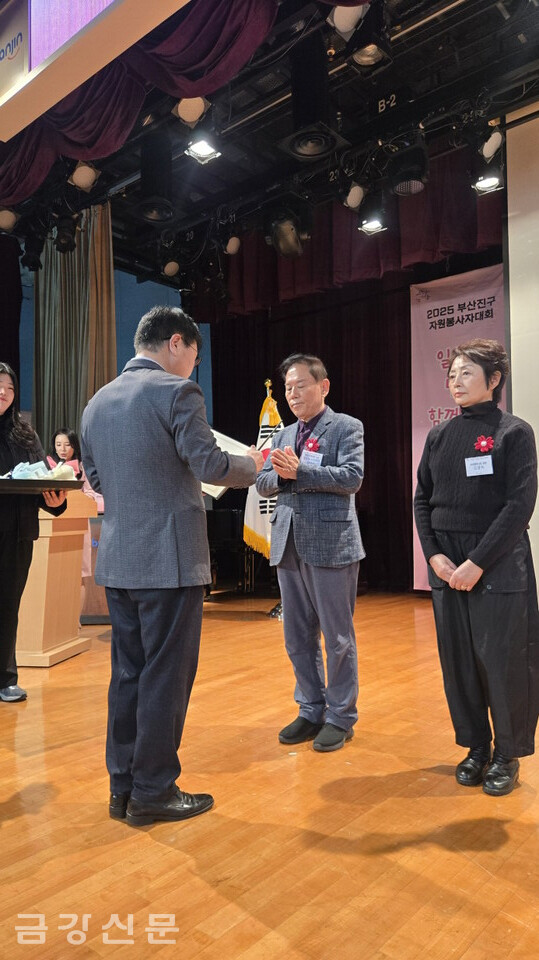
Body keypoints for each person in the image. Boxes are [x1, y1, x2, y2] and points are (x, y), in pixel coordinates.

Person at [80, 306, 264, 826]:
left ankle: (123, 788)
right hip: (170, 559)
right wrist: (253, 464)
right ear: (177, 343)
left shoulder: (97, 402)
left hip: (120, 558)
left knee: (128, 676)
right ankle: (154, 791)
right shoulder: (177, 392)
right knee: (165, 677)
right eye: (194, 356)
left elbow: (97, 479)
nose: (193, 367)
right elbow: (210, 464)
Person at [414, 338, 539, 796]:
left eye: (466, 373)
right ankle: (476, 746)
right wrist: (434, 556)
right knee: (460, 662)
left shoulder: (514, 433)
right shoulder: (439, 435)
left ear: (494, 379)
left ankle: (508, 753)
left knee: (504, 660)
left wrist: (477, 562)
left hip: (498, 562)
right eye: (452, 374)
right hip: (447, 564)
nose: (456, 381)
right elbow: (422, 500)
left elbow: (518, 506)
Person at [256, 353, 365, 752]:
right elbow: (262, 482)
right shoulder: (283, 435)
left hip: (331, 544)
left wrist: (300, 471)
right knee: (297, 636)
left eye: (301, 385)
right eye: (288, 387)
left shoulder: (346, 427)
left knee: (337, 638)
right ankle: (310, 709)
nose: (292, 394)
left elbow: (352, 477)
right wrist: (283, 476)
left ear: (324, 386)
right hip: (288, 543)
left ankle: (341, 716)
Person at [0, 363, 67, 703]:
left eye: (10, 388)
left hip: (17, 533)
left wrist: (56, 501)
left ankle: (6, 678)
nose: (3, 393)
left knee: (8, 605)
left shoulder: (25, 435)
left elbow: (41, 481)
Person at [48, 428, 104, 616]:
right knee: (55, 574)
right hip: (54, 525)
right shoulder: (48, 467)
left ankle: (76, 621)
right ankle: (58, 619)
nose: (62, 449)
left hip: (78, 525)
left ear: (74, 446)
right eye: (58, 444)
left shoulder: (83, 467)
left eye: (67, 444)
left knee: (78, 575)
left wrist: (79, 496)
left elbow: (93, 494)